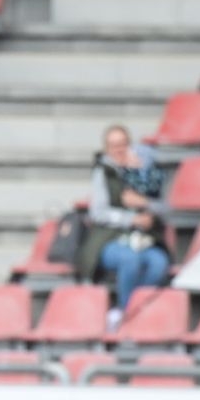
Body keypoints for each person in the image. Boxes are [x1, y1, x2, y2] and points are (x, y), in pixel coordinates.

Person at [80, 124, 170, 332]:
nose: (118, 150)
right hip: (109, 238)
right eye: (113, 146)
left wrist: (144, 202)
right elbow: (99, 213)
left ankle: (134, 312)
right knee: (129, 258)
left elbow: (164, 207)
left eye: (122, 145)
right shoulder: (103, 172)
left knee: (159, 262)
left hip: (144, 239)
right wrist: (131, 219)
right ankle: (124, 313)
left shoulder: (145, 168)